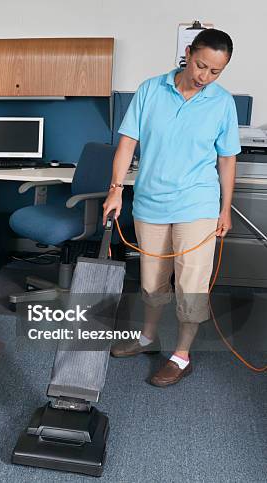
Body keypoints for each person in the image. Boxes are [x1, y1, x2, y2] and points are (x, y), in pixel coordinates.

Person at [103, 29, 241, 387]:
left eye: (215, 72)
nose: (204, 77)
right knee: (151, 281)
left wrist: (225, 209)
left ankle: (181, 355)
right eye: (200, 65)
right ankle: (148, 337)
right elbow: (127, 143)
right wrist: (115, 190)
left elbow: (227, 159)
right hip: (151, 202)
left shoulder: (222, 102)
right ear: (187, 53)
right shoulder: (151, 90)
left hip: (197, 204)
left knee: (191, 284)